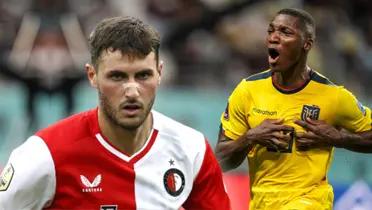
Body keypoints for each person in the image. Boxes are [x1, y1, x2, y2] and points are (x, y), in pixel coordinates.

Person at [0, 16, 231, 210]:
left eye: (143, 75)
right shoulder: (44, 154)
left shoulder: (192, 149)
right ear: (92, 76)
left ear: (159, 73)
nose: (132, 91)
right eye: (117, 76)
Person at [215, 8, 372, 210]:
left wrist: (339, 139)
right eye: (271, 31)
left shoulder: (334, 96)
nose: (274, 37)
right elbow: (221, 160)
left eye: (285, 32)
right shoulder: (247, 91)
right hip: (261, 204)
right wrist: (251, 137)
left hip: (311, 201)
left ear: (307, 44)